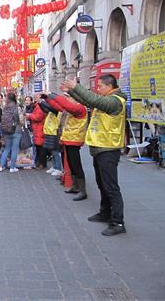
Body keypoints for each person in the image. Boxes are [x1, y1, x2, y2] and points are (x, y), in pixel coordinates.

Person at [61, 74, 127, 236]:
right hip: (100, 147)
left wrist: (76, 87)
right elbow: (88, 101)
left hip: (108, 149)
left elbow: (95, 100)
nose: (98, 89)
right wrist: (72, 91)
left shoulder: (115, 101)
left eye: (100, 86)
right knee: (102, 183)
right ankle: (105, 212)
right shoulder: (107, 99)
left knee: (111, 187)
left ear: (110, 86)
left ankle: (118, 222)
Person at [48, 92, 88, 200]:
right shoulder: (73, 108)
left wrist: (53, 95)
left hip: (74, 139)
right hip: (69, 139)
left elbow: (65, 105)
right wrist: (47, 99)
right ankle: (75, 186)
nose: (68, 99)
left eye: (69, 97)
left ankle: (82, 191)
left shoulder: (80, 108)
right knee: (71, 164)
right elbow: (59, 106)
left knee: (76, 165)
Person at [0, 93, 24, 173]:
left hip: (7, 130)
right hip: (16, 130)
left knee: (7, 148)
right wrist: (23, 124)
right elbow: (21, 120)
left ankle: (1, 166)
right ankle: (12, 167)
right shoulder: (17, 107)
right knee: (14, 149)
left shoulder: (5, 108)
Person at [40, 100, 63, 177]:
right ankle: (54, 166)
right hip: (49, 132)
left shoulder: (56, 110)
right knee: (51, 151)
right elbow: (45, 109)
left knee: (55, 151)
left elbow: (50, 108)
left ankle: (58, 168)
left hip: (54, 132)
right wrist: (39, 102)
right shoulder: (50, 111)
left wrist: (41, 101)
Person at [26, 93, 47, 169]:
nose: (35, 99)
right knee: (38, 147)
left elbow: (38, 117)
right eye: (34, 97)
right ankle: (39, 162)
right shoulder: (37, 106)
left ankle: (42, 163)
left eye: (37, 97)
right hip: (37, 128)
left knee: (40, 148)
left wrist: (29, 115)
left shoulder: (40, 106)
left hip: (39, 128)